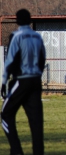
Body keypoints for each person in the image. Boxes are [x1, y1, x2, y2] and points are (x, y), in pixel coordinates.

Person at [1, 9, 46, 155]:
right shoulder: (37, 37)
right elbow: (42, 58)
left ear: (17, 20)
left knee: (5, 114)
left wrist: (4, 80)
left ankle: (16, 150)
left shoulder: (16, 36)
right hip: (36, 81)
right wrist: (37, 75)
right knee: (36, 121)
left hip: (21, 80)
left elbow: (10, 59)